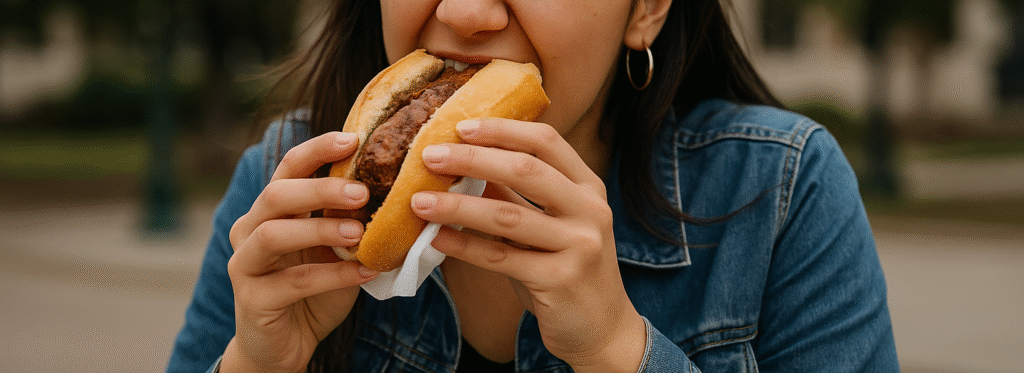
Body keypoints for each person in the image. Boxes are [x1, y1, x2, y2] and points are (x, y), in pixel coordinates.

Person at [167, 0, 900, 371]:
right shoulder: (283, 184)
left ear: (646, 8)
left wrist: (617, 348)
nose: (462, 12)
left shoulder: (779, 190)